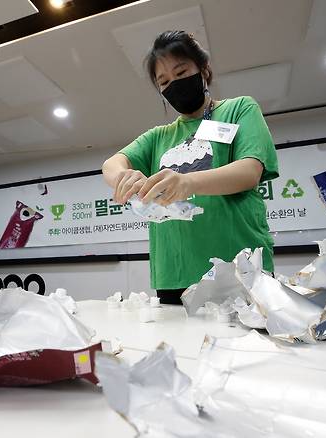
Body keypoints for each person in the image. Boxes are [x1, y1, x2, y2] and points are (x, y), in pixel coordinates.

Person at [102, 31, 279, 304]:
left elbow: (249, 170)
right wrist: (123, 176)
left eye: (181, 72)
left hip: (237, 268)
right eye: (164, 81)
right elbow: (111, 163)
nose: (174, 84)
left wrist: (187, 182)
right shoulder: (158, 136)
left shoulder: (238, 109)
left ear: (203, 70)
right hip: (175, 274)